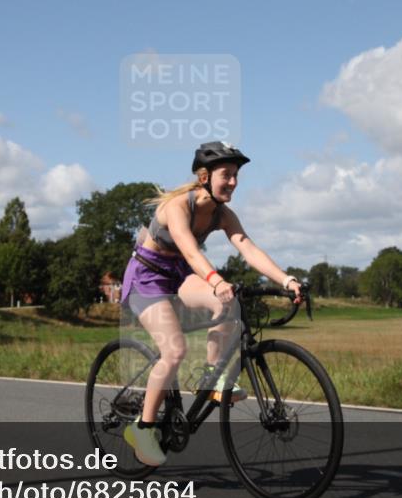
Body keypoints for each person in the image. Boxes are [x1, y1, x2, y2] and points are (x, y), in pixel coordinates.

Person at [120, 141, 303, 466]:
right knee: (174, 351)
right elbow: (190, 250)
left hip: (178, 274)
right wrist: (216, 280)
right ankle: (142, 428)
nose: (233, 182)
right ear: (204, 177)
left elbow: (247, 247)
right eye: (226, 175)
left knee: (227, 305)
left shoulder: (222, 214)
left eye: (235, 175)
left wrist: (286, 280)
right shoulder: (178, 206)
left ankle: (211, 375)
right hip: (146, 278)